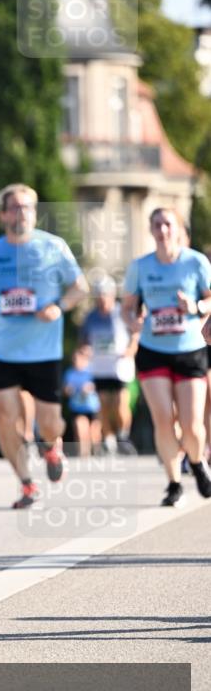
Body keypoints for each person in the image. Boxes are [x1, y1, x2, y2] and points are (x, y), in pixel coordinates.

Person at [0, 183, 89, 508]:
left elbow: (80, 286)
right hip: (3, 350)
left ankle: (52, 448)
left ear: (35, 212)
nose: (21, 213)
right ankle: (27, 484)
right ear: (2, 214)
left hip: (43, 350)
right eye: (14, 207)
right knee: (5, 415)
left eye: (27, 207)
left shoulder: (54, 247)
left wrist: (60, 306)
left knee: (50, 422)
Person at [122, 207, 211, 506]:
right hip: (152, 350)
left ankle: (197, 463)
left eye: (168, 225)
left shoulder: (196, 262)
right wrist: (132, 321)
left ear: (178, 228)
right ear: (150, 230)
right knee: (163, 419)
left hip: (190, 350)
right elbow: (128, 307)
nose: (162, 231)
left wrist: (195, 307)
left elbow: (210, 300)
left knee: (191, 425)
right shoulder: (140, 267)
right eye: (157, 225)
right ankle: (173, 482)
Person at [80, 277, 137, 454]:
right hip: (100, 367)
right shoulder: (90, 317)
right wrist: (85, 350)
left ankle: (123, 434)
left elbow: (135, 332)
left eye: (105, 295)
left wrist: (131, 348)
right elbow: (83, 341)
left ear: (112, 295)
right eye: (98, 296)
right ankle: (109, 439)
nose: (102, 300)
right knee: (103, 405)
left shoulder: (122, 313)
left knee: (120, 404)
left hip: (120, 367)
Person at [63, 346, 102, 457]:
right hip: (77, 407)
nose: (76, 361)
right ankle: (84, 452)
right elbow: (65, 390)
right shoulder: (69, 373)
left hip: (92, 407)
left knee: (94, 432)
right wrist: (68, 390)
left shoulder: (92, 371)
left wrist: (90, 387)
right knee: (81, 429)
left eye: (78, 358)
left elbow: (99, 386)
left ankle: (97, 450)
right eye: (74, 359)